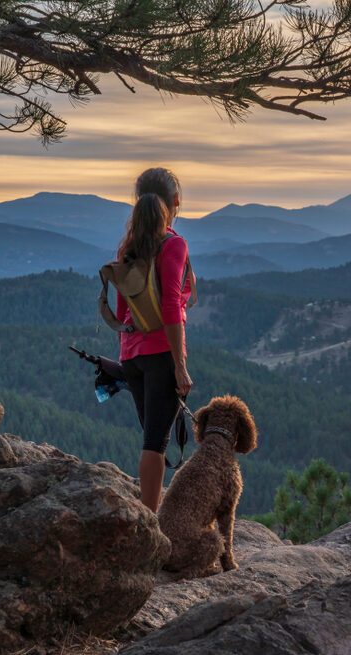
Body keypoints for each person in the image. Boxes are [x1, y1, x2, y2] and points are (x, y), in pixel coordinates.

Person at [116, 167, 194, 512]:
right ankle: (151, 527)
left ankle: (149, 516)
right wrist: (180, 366)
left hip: (131, 357)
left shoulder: (128, 247)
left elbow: (121, 313)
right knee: (156, 443)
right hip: (161, 355)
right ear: (175, 201)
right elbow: (171, 307)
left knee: (152, 437)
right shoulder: (173, 244)